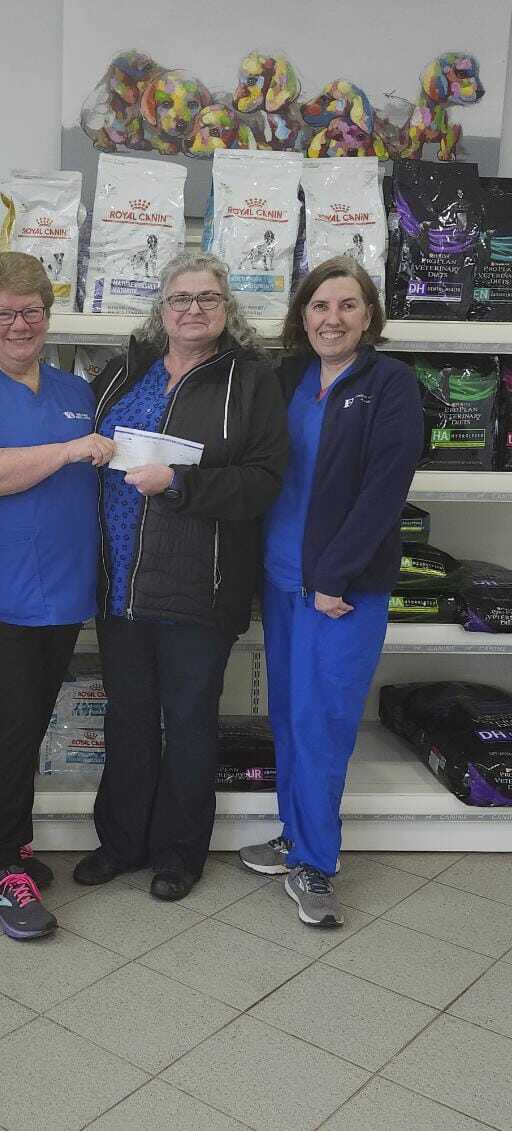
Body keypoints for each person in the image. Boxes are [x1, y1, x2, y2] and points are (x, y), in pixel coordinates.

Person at [73, 251, 288, 901]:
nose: (192, 309)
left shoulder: (250, 379)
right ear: (161, 308)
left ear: (228, 310)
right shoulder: (128, 368)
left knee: (189, 720)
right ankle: (121, 841)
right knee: (128, 716)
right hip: (120, 580)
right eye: (180, 299)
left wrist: (179, 484)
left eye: (207, 298)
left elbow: (264, 480)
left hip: (200, 582)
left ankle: (178, 852)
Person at [0, 251, 114, 940]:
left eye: (31, 311)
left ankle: (3, 842)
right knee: (9, 727)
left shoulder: (76, 391)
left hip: (64, 590)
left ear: (47, 315)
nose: (18, 324)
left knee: (30, 721)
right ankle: (2, 865)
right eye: (3, 312)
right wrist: (68, 450)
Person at [239, 257, 423, 928]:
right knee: (288, 716)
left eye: (348, 305)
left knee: (324, 725)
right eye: (320, 306)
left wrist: (334, 578)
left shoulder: (390, 384)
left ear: (368, 316)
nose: (333, 318)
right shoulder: (289, 377)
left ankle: (317, 863)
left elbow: (384, 492)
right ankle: (293, 835)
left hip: (339, 591)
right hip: (283, 576)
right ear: (303, 316)